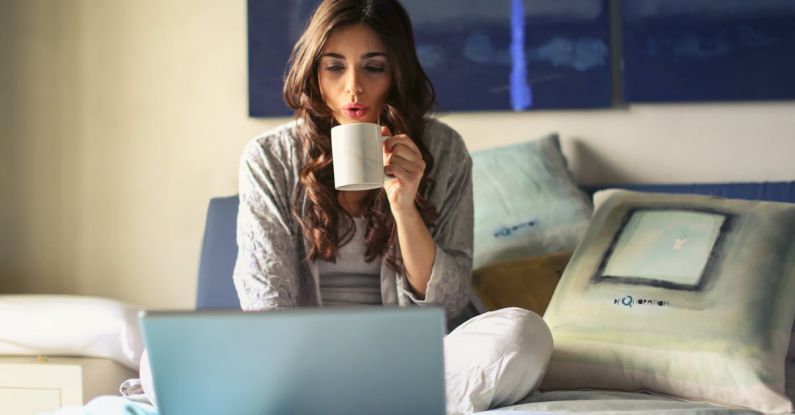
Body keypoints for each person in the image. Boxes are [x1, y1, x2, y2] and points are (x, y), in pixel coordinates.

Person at [232, 0, 552, 413]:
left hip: (415, 358)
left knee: (524, 335)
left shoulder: (443, 150)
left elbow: (447, 303)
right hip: (306, 359)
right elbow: (265, 299)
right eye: (335, 67)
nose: (354, 88)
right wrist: (300, 362)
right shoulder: (270, 157)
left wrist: (404, 205)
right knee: (163, 361)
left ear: (396, 73)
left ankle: (349, 401)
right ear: (314, 72)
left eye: (373, 67)